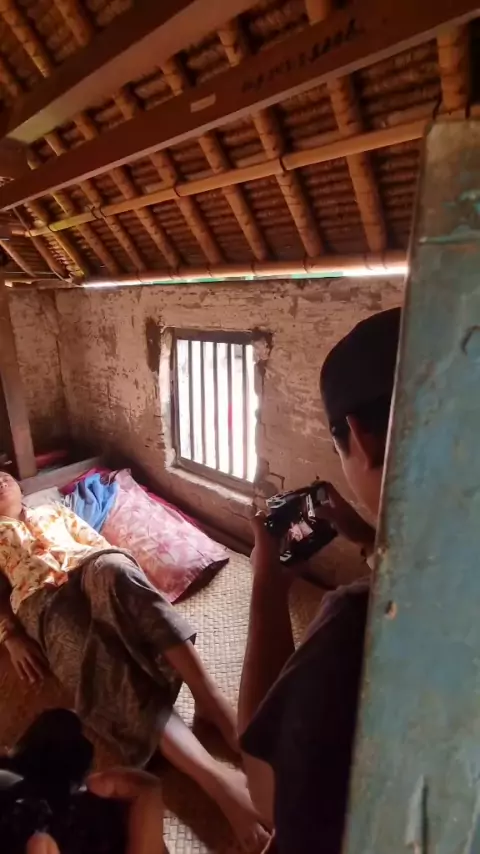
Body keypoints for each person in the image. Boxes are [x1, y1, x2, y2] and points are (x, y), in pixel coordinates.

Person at [0, 477, 268, 852]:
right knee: (89, 652)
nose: (0, 480)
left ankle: (212, 703)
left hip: (87, 564)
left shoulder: (53, 510)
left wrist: (109, 577)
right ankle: (215, 778)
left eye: (3, 475)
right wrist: (10, 635)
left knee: (117, 570)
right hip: (40, 598)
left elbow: (95, 543)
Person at [238, 307, 402, 853]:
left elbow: (267, 793)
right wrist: (368, 539)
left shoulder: (355, 623)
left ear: (358, 436)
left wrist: (268, 585)